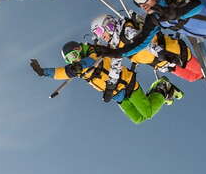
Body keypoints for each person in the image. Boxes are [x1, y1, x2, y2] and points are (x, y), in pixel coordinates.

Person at [29, 40, 179, 125]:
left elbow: (91, 59)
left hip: (127, 84)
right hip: (115, 96)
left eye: (74, 55)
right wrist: (43, 72)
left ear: (79, 49)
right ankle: (155, 93)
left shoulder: (94, 51)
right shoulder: (77, 68)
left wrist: (80, 65)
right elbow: (62, 72)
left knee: (147, 113)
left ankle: (162, 88)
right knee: (138, 119)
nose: (73, 60)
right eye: (69, 59)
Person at [90, 13, 206, 88]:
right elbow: (115, 66)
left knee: (202, 69)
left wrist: (161, 52)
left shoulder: (127, 31)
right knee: (192, 76)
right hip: (164, 63)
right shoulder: (116, 48)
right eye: (98, 34)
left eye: (101, 31)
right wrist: (111, 85)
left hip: (171, 52)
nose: (102, 36)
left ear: (109, 25)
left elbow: (144, 43)